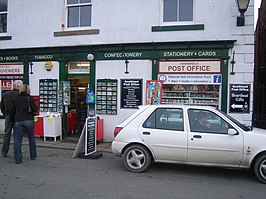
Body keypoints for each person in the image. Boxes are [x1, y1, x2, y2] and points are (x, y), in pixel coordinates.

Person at [11, 84, 37, 164]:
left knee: (18, 140)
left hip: (18, 120)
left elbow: (13, 111)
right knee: (31, 138)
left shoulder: (16, 99)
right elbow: (35, 109)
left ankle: (18, 159)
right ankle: (33, 155)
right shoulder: (30, 98)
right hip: (28, 120)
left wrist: (13, 120)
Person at [0, 80, 23, 157]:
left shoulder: (6, 94)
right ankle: (17, 152)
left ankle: (4, 152)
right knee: (17, 135)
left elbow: (2, 106)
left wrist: (5, 114)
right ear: (19, 87)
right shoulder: (20, 95)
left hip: (8, 116)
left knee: (7, 134)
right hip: (17, 117)